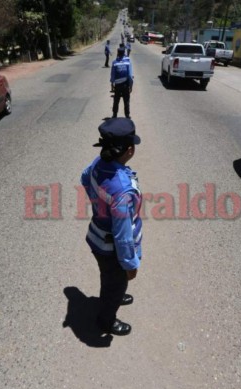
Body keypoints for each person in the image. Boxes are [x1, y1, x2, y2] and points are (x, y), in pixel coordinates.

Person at [81, 118, 143, 336]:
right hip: (112, 249)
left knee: (109, 277)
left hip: (97, 237)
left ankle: (115, 292)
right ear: (129, 150)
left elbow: (84, 177)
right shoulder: (122, 190)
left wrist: (97, 203)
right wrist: (130, 264)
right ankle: (106, 320)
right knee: (115, 281)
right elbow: (123, 236)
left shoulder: (98, 163)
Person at [110, 47, 133, 118]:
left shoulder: (114, 62)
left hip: (117, 85)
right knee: (126, 100)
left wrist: (112, 84)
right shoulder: (128, 62)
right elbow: (130, 75)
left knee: (116, 100)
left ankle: (114, 114)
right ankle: (127, 115)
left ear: (118, 53)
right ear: (124, 53)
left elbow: (112, 75)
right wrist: (131, 85)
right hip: (125, 85)